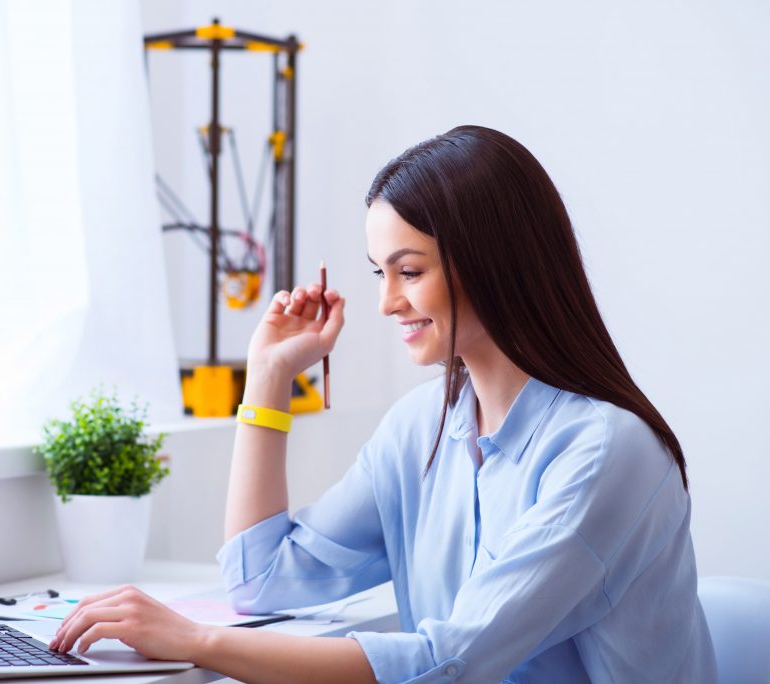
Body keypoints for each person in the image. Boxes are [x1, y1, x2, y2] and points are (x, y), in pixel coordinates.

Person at [49, 126, 717, 683]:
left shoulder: (605, 451)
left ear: (494, 262)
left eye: (410, 271)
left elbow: (452, 661)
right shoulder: (421, 427)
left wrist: (199, 642)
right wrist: (269, 376)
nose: (387, 302)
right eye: (380, 273)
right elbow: (262, 580)